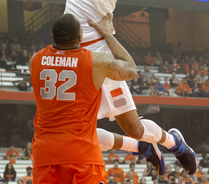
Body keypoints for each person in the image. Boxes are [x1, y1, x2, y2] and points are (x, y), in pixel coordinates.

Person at [63, 0, 197, 176]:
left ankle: (175, 143)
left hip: (102, 61)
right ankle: (143, 148)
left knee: (135, 128)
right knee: (75, 132)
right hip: (78, 63)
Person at [30, 13, 137, 183]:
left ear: (52, 37)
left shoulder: (35, 60)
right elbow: (131, 70)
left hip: (45, 153)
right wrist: (108, 33)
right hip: (82, 153)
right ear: (80, 37)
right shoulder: (95, 62)